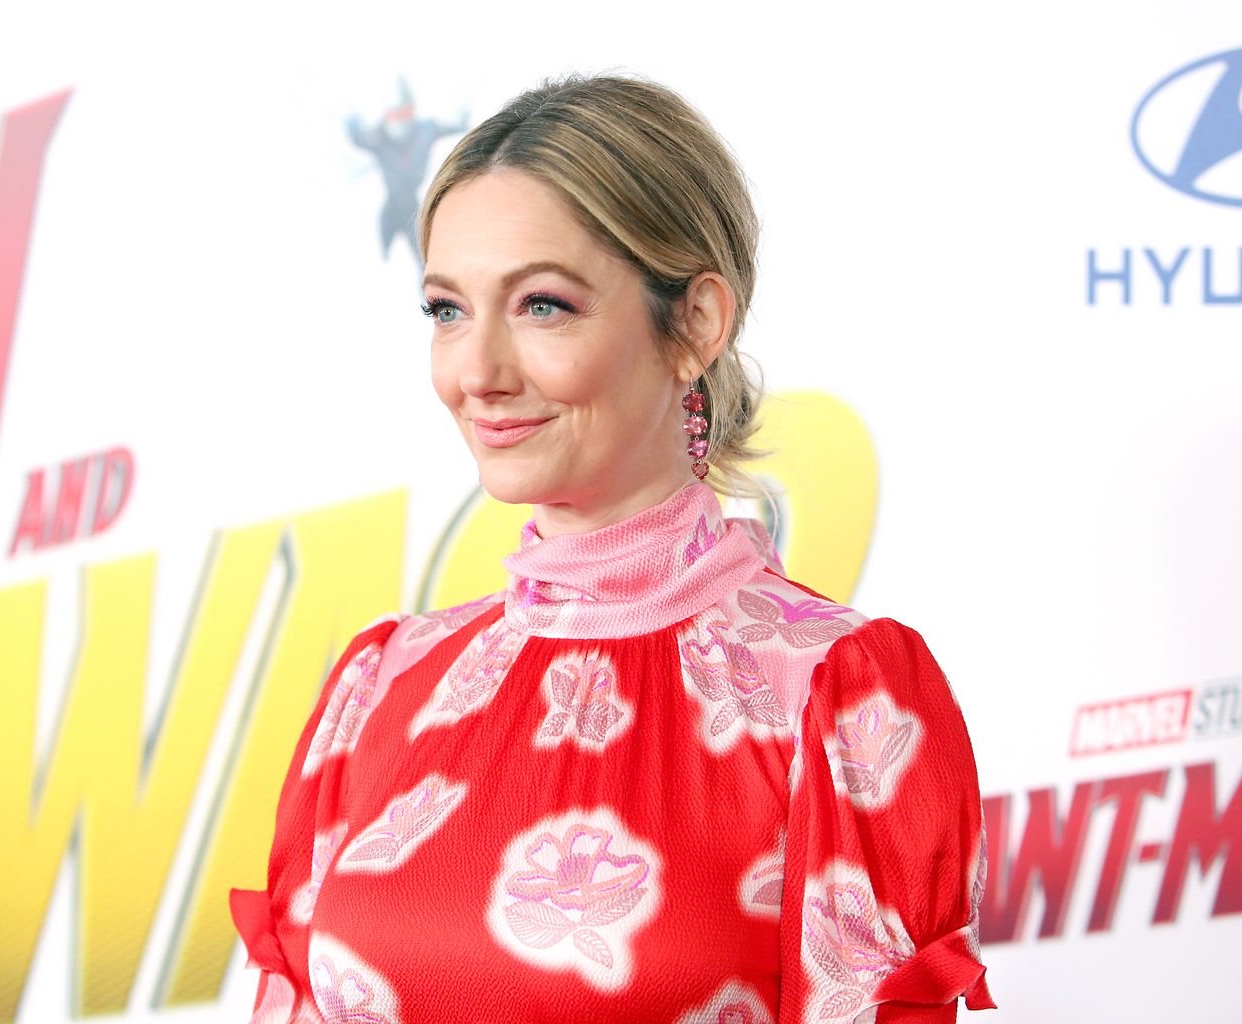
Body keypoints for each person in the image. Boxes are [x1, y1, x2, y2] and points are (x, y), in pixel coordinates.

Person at [230, 71, 995, 1024]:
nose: (477, 372)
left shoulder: (834, 697)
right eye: (446, 310)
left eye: (542, 305)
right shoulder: (380, 687)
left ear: (697, 323)